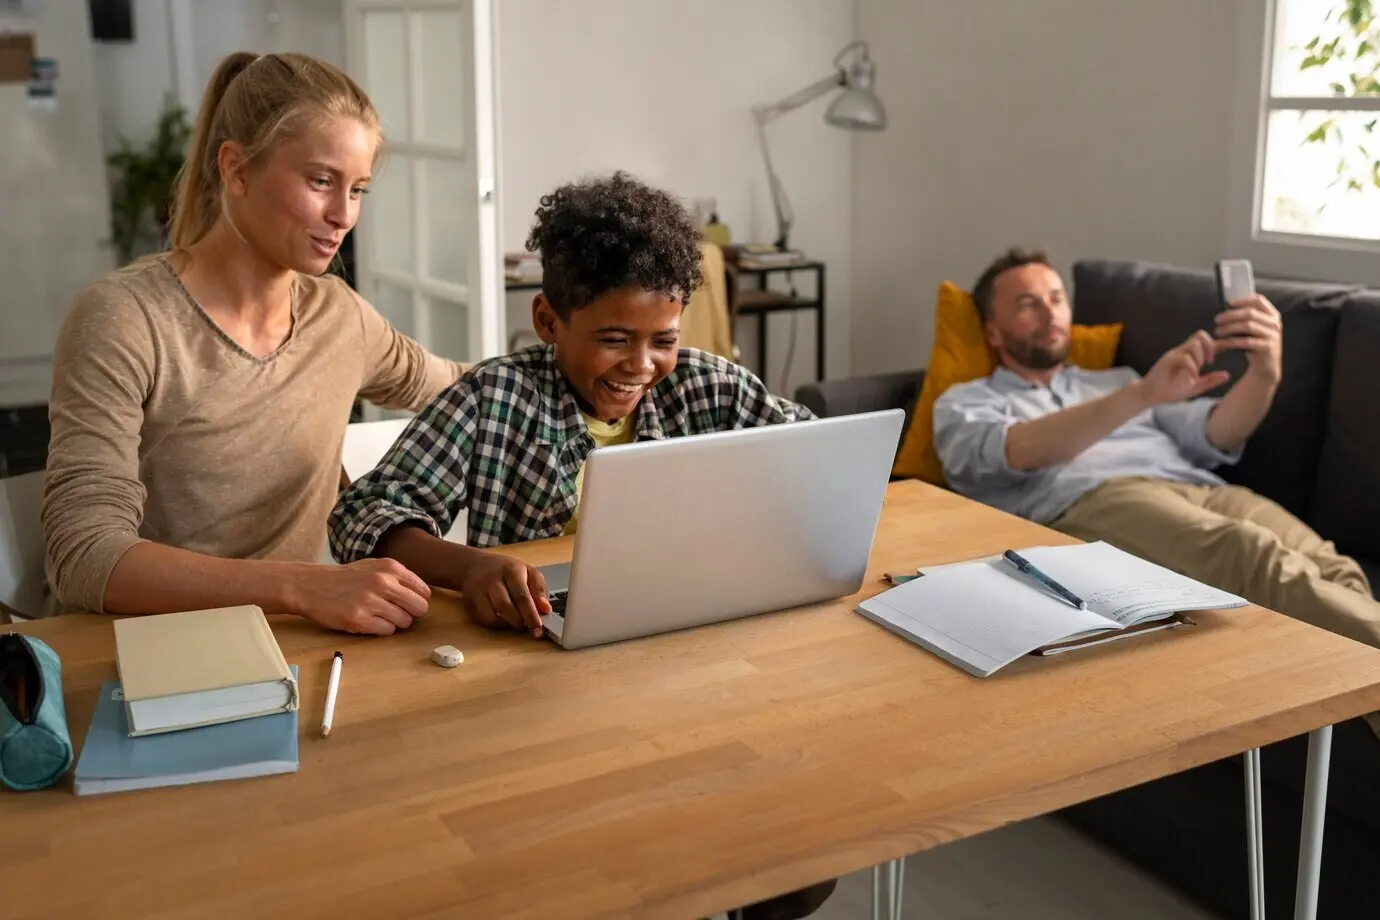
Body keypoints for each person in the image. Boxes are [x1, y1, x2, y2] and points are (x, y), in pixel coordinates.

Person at [329, 172, 836, 920]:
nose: (640, 367)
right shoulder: (495, 398)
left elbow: (815, 457)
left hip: (688, 661)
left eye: (663, 339)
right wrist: (469, 567)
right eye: (612, 339)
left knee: (793, 863)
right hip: (539, 684)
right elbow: (365, 514)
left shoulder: (710, 387)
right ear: (547, 319)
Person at [42, 51, 465, 636]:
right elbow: (84, 556)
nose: (343, 215)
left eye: (359, 189)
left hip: (286, 642)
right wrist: (302, 584)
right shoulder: (124, 318)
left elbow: (460, 386)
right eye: (320, 181)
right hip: (136, 652)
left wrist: (602, 357)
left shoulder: (339, 317)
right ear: (237, 170)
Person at [932, 247, 1380, 655]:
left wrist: (1266, 372)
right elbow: (1020, 450)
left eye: (1056, 298)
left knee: (1334, 566)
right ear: (992, 332)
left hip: (1199, 486)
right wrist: (1142, 395)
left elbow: (1218, 432)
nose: (1050, 314)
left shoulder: (1116, 379)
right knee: (1251, 554)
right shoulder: (967, 402)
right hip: (1097, 501)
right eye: (1028, 304)